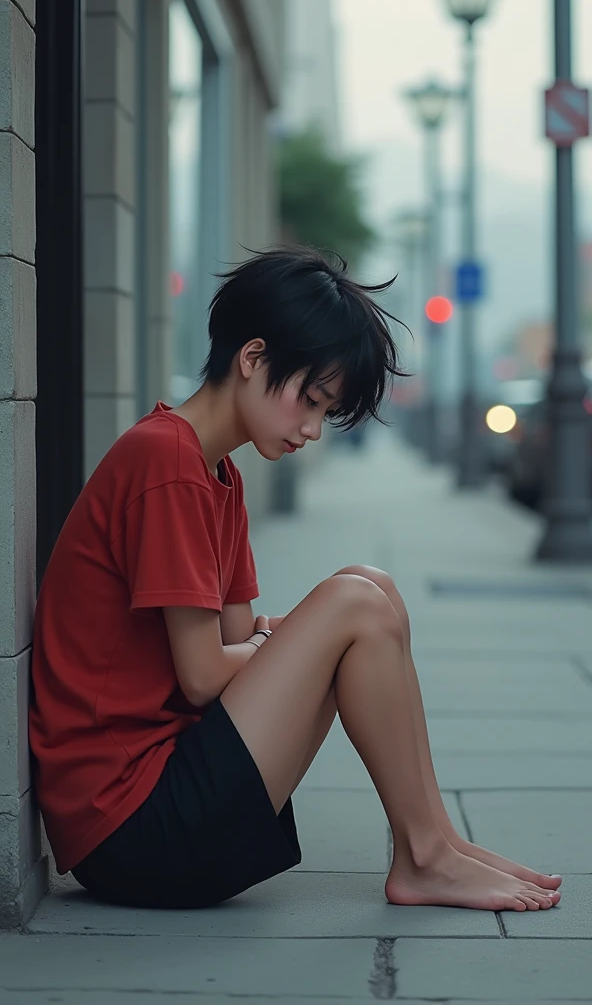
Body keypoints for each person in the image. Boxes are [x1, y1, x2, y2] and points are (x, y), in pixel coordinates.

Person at [29, 247, 562, 913]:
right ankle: (427, 856)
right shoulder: (163, 460)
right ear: (251, 359)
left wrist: (267, 644)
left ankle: (436, 844)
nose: (313, 429)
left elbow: (234, 642)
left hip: (167, 790)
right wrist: (270, 645)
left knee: (372, 591)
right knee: (355, 602)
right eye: (310, 400)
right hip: (129, 828)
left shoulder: (218, 473)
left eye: (326, 411)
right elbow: (204, 673)